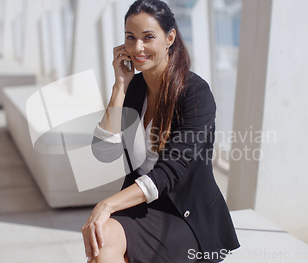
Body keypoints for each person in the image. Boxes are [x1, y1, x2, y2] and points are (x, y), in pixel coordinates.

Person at [81, 0, 240, 262]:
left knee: (102, 237)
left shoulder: (195, 94)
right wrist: (119, 86)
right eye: (130, 38)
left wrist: (107, 204)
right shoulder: (134, 87)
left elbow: (169, 173)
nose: (137, 48)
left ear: (170, 38)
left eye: (148, 38)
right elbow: (104, 151)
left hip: (185, 215)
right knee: (102, 241)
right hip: (142, 206)